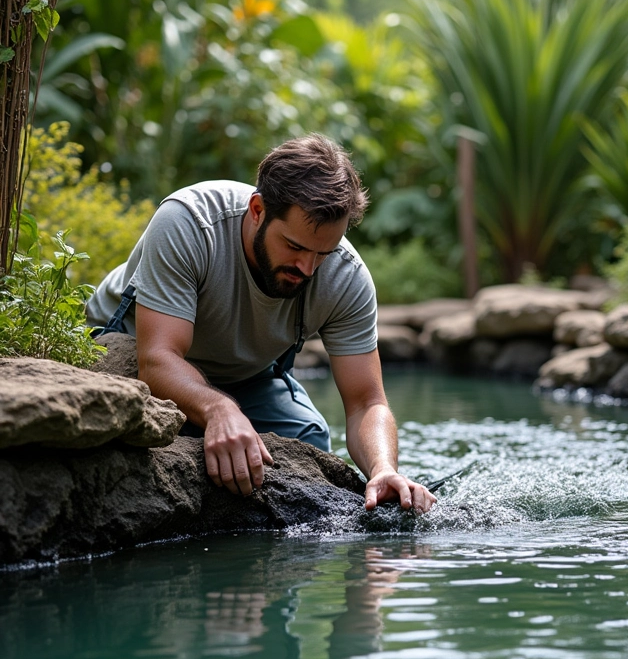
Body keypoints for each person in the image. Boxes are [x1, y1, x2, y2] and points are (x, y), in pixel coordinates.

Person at [87, 134, 435, 513]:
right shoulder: (188, 222)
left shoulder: (345, 278)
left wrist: (382, 469)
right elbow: (156, 359)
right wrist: (220, 411)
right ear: (257, 210)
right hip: (130, 348)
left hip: (242, 376)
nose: (308, 268)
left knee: (310, 441)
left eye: (323, 253)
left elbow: (367, 402)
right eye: (295, 246)